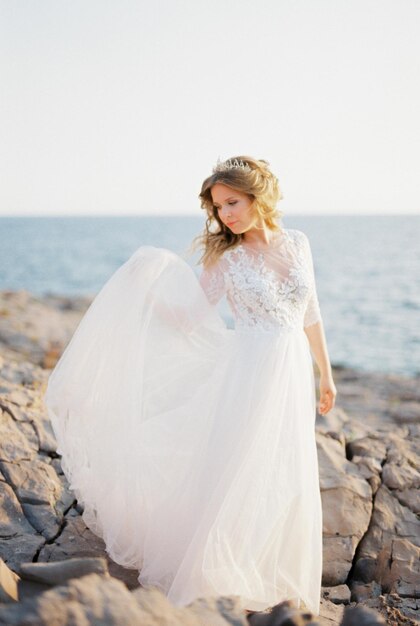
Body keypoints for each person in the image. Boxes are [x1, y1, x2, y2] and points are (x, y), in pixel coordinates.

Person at [44, 155, 337, 616]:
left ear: (258, 197)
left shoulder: (298, 243)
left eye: (232, 202)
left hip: (292, 373)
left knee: (283, 471)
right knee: (239, 470)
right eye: (219, 207)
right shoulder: (228, 258)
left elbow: (311, 312)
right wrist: (147, 287)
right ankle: (218, 576)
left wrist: (326, 372)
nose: (226, 215)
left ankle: (271, 572)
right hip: (250, 373)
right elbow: (188, 319)